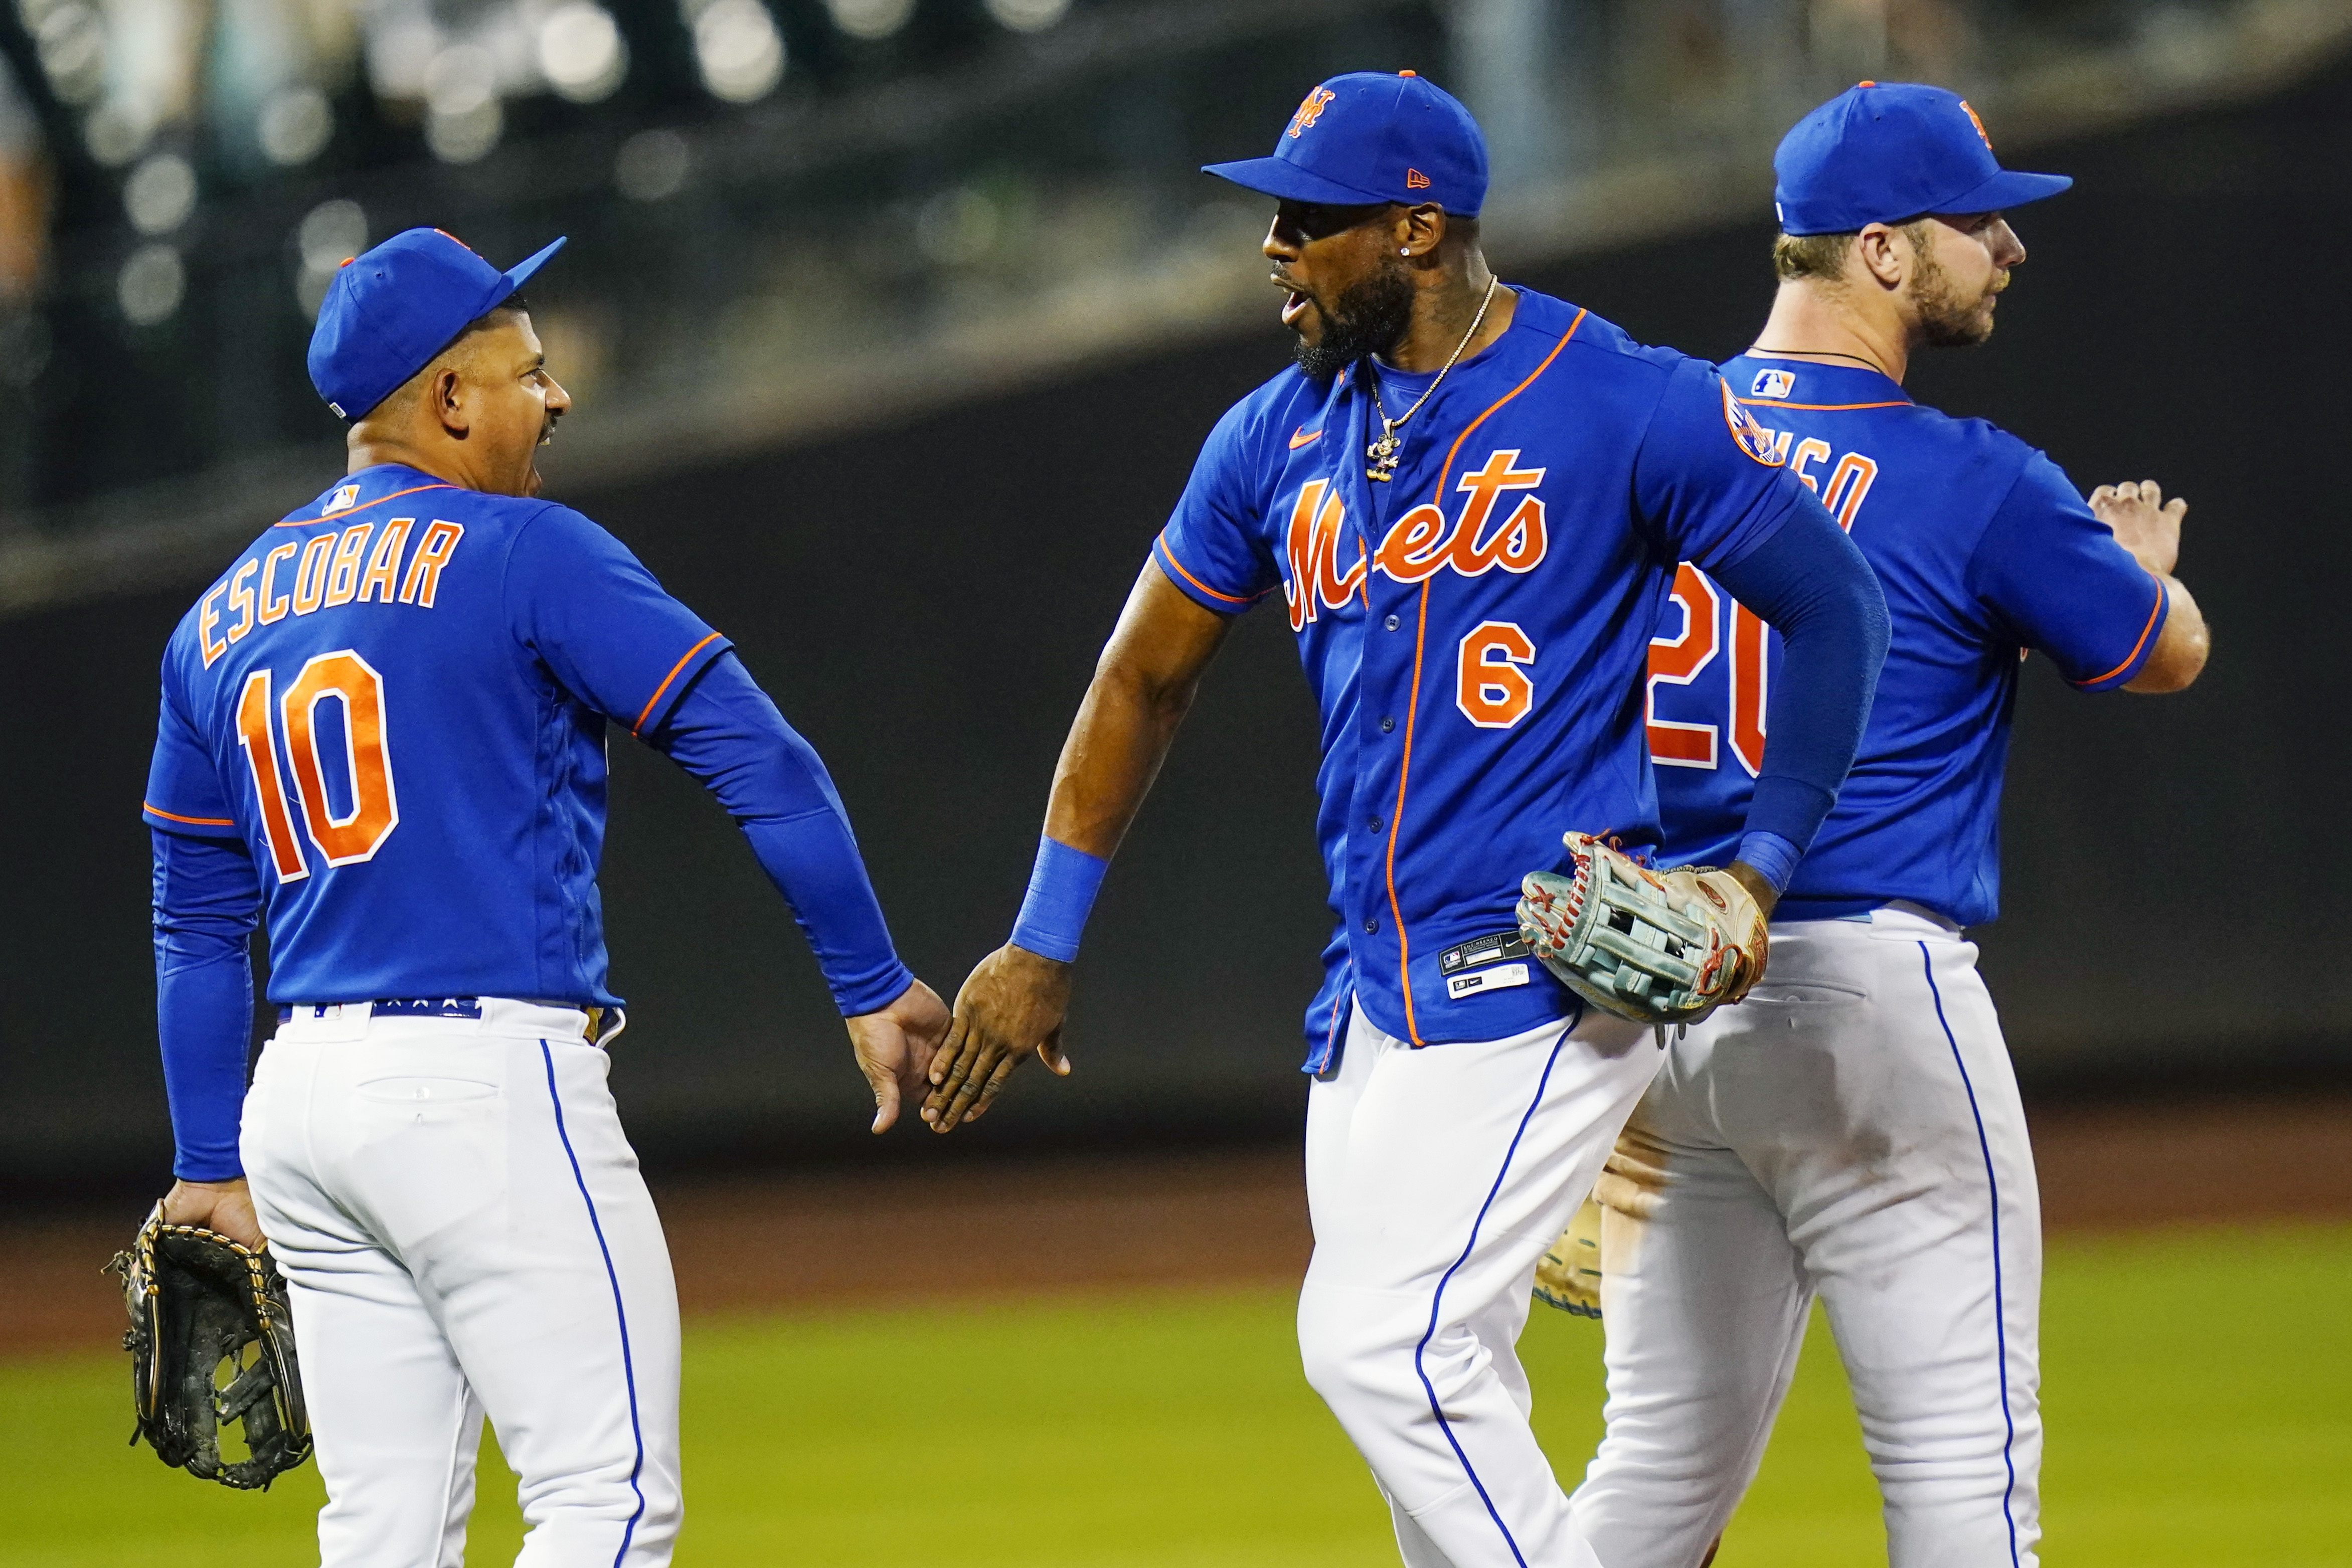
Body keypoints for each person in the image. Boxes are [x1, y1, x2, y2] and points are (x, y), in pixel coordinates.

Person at [919, 72, 1889, 1568]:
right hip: (1366, 995)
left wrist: (1759, 870)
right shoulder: (1272, 436)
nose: (1273, 249)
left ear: (1416, 229)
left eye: (1306, 222)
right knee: (1433, 1404)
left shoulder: (1620, 396)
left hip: (1540, 962)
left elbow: (1837, 612)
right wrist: (1043, 932)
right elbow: (1141, 678)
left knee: (1376, 1347)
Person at [140, 228, 948, 1566]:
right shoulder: (526, 552)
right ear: (450, 399)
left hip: (298, 1111)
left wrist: (205, 1160)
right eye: (529, 370)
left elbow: (195, 925)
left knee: (383, 1530)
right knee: (607, 1502)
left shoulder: (216, 620)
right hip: (478, 1091)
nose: (556, 396)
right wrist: (867, 982)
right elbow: (766, 762)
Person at [1565, 83, 2210, 1568]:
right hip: (1868, 996)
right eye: (1975, 221)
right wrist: (2142, 570)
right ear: (1876, 250)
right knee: (1960, 1481)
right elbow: (2162, 653)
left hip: (1664, 999)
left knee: (1652, 1480)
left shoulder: (1636, 442)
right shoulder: (1972, 477)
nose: (2006, 246)